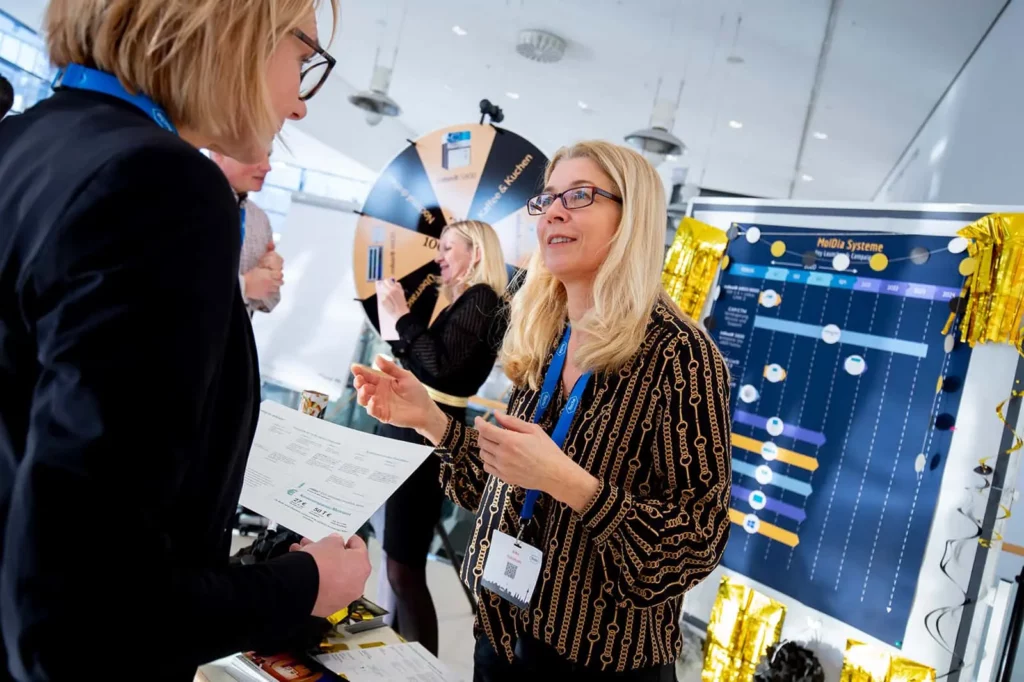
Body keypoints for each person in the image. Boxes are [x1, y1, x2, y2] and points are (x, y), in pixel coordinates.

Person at [0, 2, 369, 681]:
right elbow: (89, 606)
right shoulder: (158, 182)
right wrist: (306, 583)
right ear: (235, 28)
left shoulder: (25, 142)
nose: (299, 106)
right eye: (304, 57)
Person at [354, 140, 732, 681]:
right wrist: (429, 420)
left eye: (580, 195)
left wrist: (569, 483)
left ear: (633, 219)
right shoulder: (548, 336)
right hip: (503, 639)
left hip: (598, 663)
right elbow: (500, 489)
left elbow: (695, 543)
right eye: (548, 197)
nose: (553, 210)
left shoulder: (681, 355)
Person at [373, 220, 509, 655]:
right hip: (417, 433)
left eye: (449, 247)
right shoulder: (469, 301)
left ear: (477, 254)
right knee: (398, 565)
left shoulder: (482, 298)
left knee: (403, 568)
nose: (440, 257)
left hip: (426, 438)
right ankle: (403, 663)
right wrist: (399, 327)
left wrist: (403, 317)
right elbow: (425, 361)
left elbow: (441, 367)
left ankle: (420, 668)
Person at [211, 150, 285, 316]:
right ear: (218, 153)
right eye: (256, 155)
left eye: (269, 155)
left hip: (233, 337)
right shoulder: (190, 202)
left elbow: (268, 301)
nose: (267, 167)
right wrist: (246, 286)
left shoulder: (259, 219)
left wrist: (271, 275)